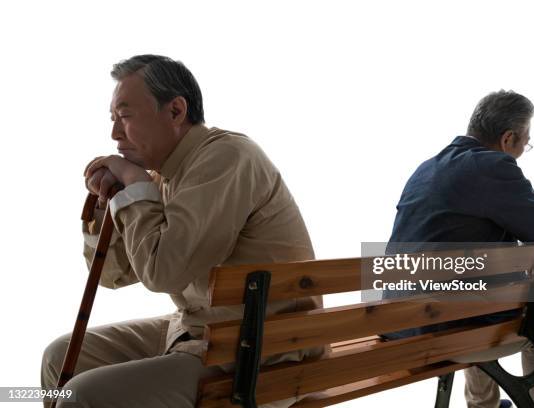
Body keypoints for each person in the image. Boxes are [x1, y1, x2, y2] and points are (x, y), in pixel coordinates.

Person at [40, 55, 324, 408]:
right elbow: (116, 275)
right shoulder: (163, 176)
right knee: (60, 356)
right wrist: (108, 205)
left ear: (175, 111)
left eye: (125, 116)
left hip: (258, 348)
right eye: (113, 119)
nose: (114, 133)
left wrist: (134, 183)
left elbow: (163, 273)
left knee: (83, 395)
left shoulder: (226, 157)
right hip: (197, 331)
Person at [382, 90, 534, 408]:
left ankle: (483, 405)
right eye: (526, 141)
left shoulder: (427, 168)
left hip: (396, 323)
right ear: (508, 138)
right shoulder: (491, 166)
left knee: (479, 292)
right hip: (443, 329)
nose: (524, 148)